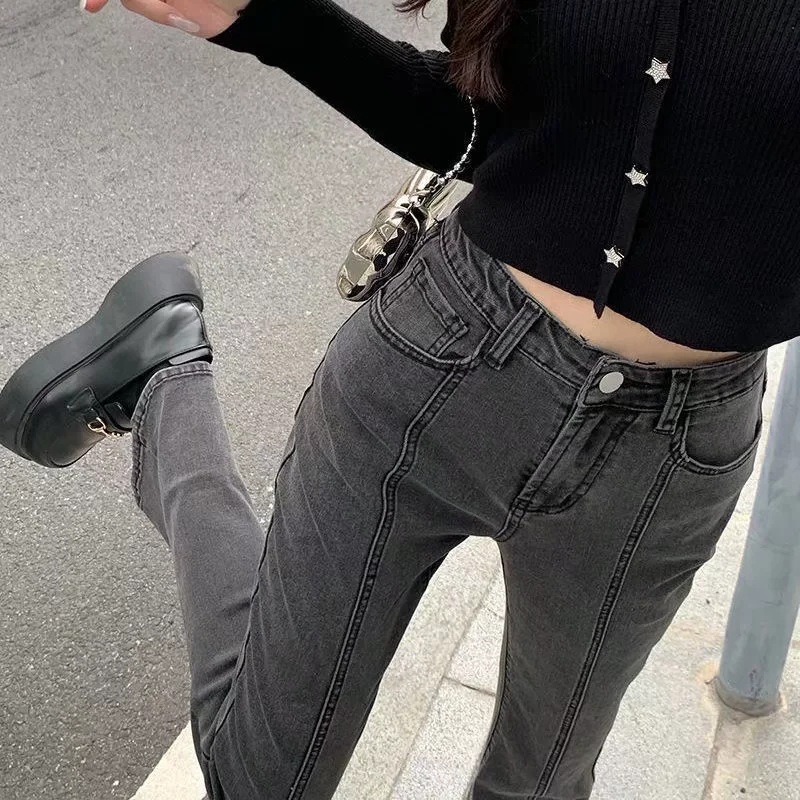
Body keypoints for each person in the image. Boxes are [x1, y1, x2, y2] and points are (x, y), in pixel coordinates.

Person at [1, 0, 790, 797]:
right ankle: (165, 385)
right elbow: (478, 124)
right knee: (259, 781)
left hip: (666, 452)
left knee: (539, 785)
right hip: (444, 353)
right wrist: (267, 18)